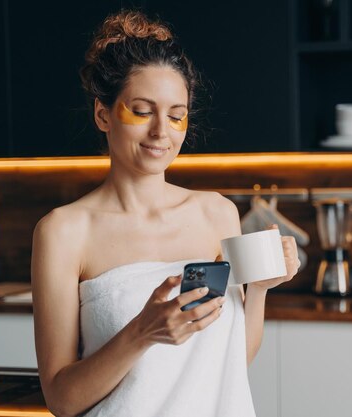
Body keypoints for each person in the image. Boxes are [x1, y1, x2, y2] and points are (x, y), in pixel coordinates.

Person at [31, 10, 299, 417]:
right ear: (104, 114)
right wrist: (141, 332)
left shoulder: (217, 214)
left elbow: (226, 365)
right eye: (142, 111)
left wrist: (260, 289)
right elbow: (62, 400)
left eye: (176, 115)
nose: (162, 131)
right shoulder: (64, 232)